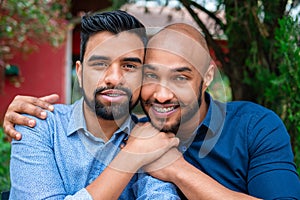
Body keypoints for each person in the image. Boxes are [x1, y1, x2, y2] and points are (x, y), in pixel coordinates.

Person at [4, 23, 300, 199]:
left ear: (207, 78)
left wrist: (177, 170)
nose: (161, 94)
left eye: (181, 77)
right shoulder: (140, 135)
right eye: (150, 76)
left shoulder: (254, 126)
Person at [5, 10, 180, 199]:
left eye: (129, 66)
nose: (114, 78)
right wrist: (131, 156)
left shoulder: (151, 137)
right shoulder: (38, 126)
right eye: (100, 64)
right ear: (79, 73)